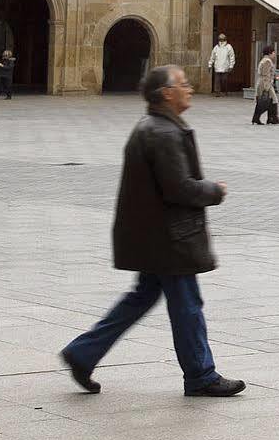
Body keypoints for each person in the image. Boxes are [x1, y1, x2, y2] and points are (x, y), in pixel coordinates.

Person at [59, 65, 243, 398]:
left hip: (155, 235)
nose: (189, 88)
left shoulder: (155, 127)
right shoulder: (163, 133)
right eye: (182, 84)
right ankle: (201, 374)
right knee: (187, 305)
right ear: (166, 94)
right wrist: (214, 190)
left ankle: (83, 352)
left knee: (142, 298)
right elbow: (178, 188)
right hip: (170, 238)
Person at [250, 46, 279, 125]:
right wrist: (266, 87)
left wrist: (276, 78)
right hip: (265, 84)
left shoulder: (266, 60)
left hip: (266, 83)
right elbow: (265, 74)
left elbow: (268, 74)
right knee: (266, 101)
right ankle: (258, 118)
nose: (274, 54)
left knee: (271, 101)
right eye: (273, 52)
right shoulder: (267, 61)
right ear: (270, 53)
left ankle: (272, 118)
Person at [207, 33, 236, 97]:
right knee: (217, 81)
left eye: (222, 39)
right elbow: (212, 57)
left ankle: (224, 91)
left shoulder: (229, 47)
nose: (221, 41)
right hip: (217, 67)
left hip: (225, 67)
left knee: (224, 80)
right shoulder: (216, 48)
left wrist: (231, 66)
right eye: (220, 39)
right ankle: (217, 92)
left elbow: (232, 57)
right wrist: (210, 65)